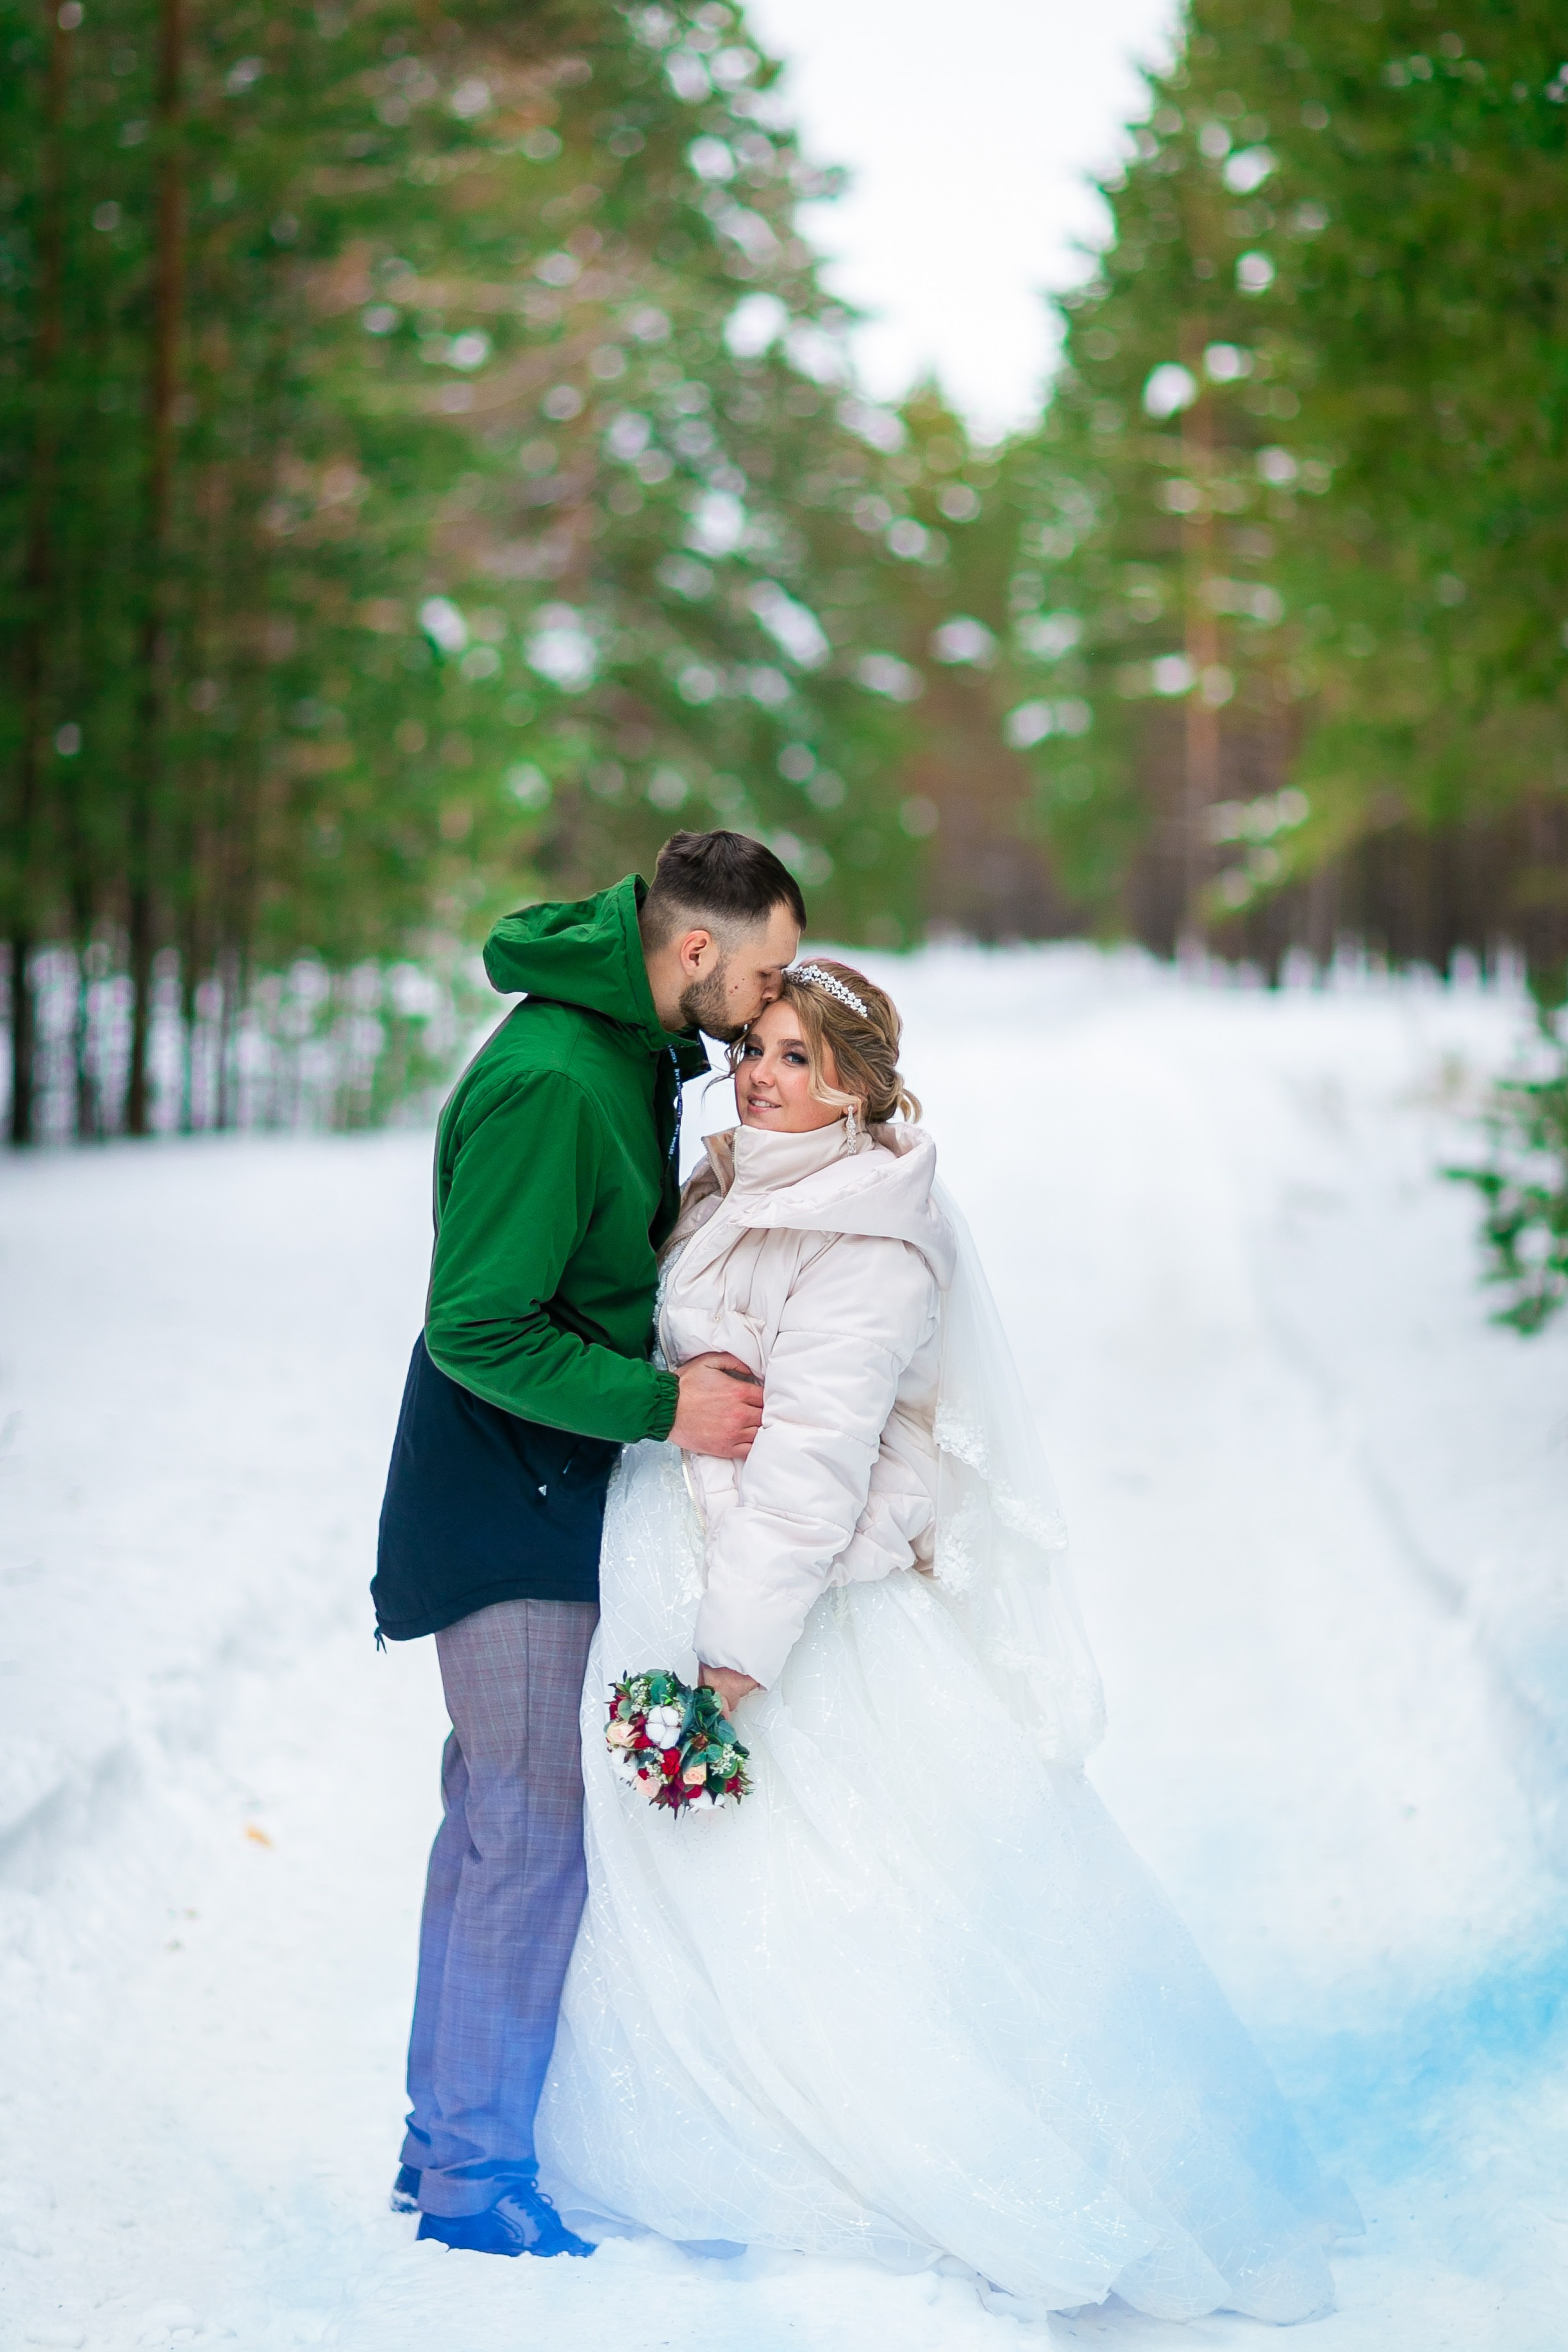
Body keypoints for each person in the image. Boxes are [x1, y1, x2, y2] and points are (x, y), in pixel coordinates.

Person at [536, 958, 1363, 2323]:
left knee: (815, 1879)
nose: (760, 1073)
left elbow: (812, 1463)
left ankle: (881, 2149)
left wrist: (730, 1662)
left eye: (799, 1057)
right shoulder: (753, 1181)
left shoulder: (860, 1232)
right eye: (756, 1046)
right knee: (694, 1892)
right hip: (682, 1560)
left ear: (859, 1083)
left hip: (767, 1609)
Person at [371, 831, 804, 2258]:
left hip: (545, 1476)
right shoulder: (559, 1077)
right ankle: (473, 2184)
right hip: (502, 1489)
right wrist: (663, 1404)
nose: (766, 1003)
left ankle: (444, 2141)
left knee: (496, 1815)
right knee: (530, 1829)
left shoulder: (626, 1049)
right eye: (763, 973)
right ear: (691, 952)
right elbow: (476, 1323)